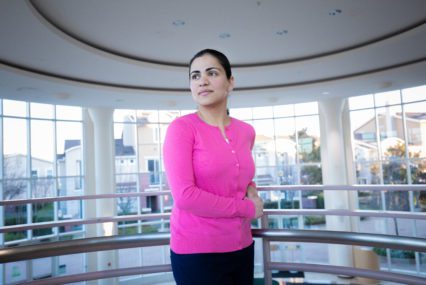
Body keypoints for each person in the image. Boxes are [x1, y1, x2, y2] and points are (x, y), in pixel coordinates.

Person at [163, 49, 264, 285]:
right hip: (197, 252)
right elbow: (186, 197)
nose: (202, 81)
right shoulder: (181, 128)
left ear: (230, 82)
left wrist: (252, 191)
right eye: (195, 76)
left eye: (212, 72)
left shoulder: (246, 131)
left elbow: (241, 175)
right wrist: (247, 209)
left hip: (242, 246)